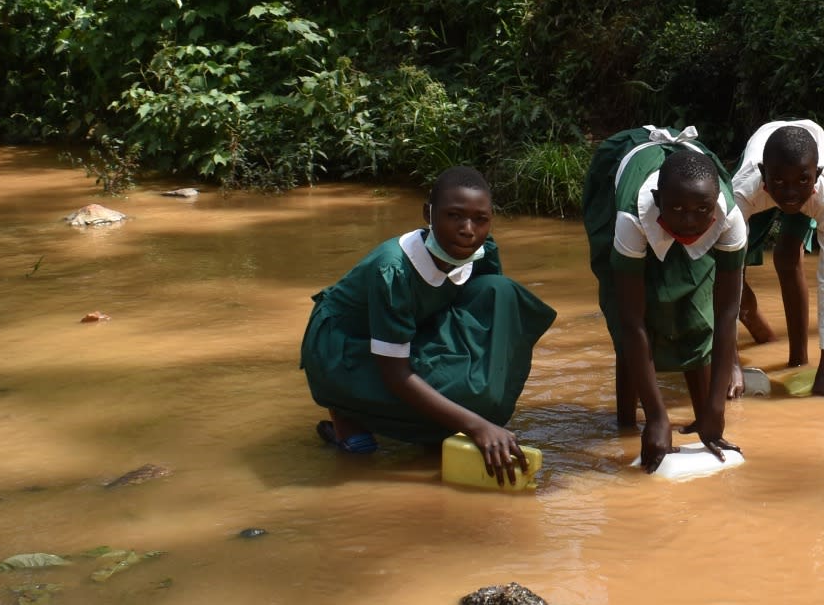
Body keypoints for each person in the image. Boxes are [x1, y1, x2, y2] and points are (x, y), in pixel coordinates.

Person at [299, 166, 556, 482]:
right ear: (428, 214)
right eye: (454, 216)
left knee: (500, 294)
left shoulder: (480, 251)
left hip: (411, 330)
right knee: (362, 450)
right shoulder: (393, 270)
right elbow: (395, 374)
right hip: (341, 348)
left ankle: (429, 423)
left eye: (481, 219)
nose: (467, 229)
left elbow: (487, 328)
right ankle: (346, 412)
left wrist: (476, 412)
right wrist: (476, 425)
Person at [583, 126, 747, 472]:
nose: (689, 222)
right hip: (621, 186)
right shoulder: (629, 217)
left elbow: (726, 313)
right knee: (624, 314)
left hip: (687, 190)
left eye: (701, 210)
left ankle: (704, 416)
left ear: (715, 204)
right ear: (658, 201)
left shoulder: (729, 218)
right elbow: (632, 320)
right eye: (678, 209)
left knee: (695, 307)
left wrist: (715, 410)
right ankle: (626, 424)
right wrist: (656, 417)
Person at [728, 119, 824, 399]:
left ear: (816, 175)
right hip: (759, 182)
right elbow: (724, 270)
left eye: (802, 181)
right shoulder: (741, 193)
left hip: (809, 161)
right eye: (780, 182)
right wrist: (730, 365)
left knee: (786, 256)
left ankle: (799, 361)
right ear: (764, 174)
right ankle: (761, 341)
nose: (791, 193)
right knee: (734, 270)